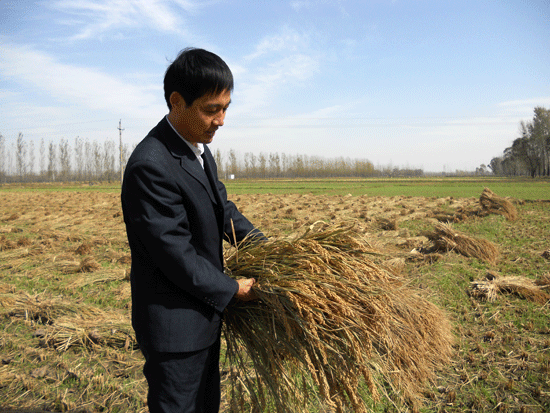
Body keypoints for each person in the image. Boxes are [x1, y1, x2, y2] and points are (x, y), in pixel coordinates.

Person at [121, 47, 265, 413]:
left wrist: (266, 248)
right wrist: (233, 289)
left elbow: (223, 211)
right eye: (211, 109)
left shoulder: (198, 149)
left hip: (203, 320)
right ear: (177, 102)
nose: (221, 120)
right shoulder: (150, 166)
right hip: (175, 330)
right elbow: (176, 255)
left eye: (226, 108)